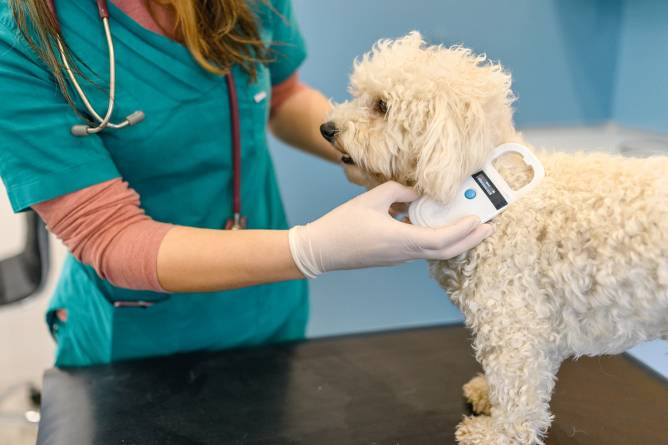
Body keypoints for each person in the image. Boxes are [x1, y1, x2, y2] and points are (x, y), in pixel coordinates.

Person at [0, 0, 494, 367]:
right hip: (138, 339)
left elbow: (283, 96)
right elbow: (107, 234)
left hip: (269, 312)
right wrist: (312, 249)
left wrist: (369, 150)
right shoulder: (22, 37)